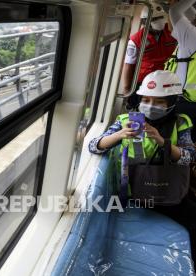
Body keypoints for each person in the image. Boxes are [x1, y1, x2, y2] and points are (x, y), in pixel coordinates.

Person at [89, 70, 196, 259]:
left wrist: (163, 142)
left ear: (171, 103)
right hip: (134, 196)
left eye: (159, 102)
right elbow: (94, 146)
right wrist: (118, 135)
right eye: (146, 100)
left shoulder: (181, 123)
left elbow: (189, 157)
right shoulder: (125, 121)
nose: (150, 106)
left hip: (169, 193)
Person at [123, 2, 177, 110]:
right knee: (141, 108)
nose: (160, 20)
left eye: (162, 17)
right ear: (146, 21)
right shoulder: (136, 40)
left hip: (166, 79)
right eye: (156, 19)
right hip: (144, 81)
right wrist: (127, 89)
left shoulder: (172, 32)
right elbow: (128, 65)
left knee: (165, 109)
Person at [166, 0, 196, 140]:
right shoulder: (191, 37)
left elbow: (175, 12)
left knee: (181, 142)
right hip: (189, 100)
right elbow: (189, 16)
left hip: (188, 103)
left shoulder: (192, 37)